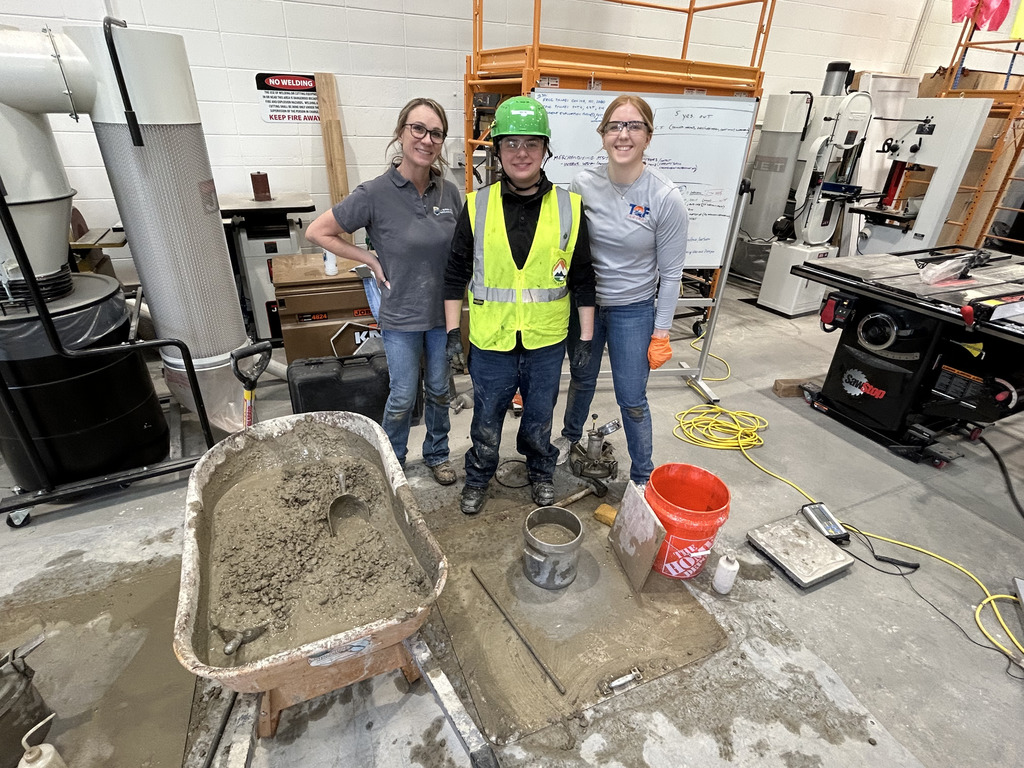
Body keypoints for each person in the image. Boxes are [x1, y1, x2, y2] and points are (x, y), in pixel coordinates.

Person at [444, 95, 596, 516]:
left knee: (539, 419)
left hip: (546, 341)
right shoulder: (477, 206)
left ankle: (541, 472)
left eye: (532, 143)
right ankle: (478, 478)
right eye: (511, 143)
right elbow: (455, 275)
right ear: (498, 151)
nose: (522, 153)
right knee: (486, 421)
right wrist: (452, 334)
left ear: (546, 149)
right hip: (492, 342)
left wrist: (584, 338)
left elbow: (583, 278)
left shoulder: (569, 207)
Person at [305, 97, 462, 485]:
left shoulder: (449, 192)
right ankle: (393, 460)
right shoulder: (374, 193)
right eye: (418, 129)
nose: (426, 139)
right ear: (401, 133)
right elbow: (317, 231)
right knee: (404, 395)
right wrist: (370, 259)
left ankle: (438, 454)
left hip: (444, 315)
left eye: (436, 133)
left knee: (440, 390)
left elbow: (462, 249)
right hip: (401, 316)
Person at [557, 94, 688, 487]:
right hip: (587, 308)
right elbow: (570, 248)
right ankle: (569, 436)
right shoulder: (583, 184)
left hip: (634, 311)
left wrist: (661, 332)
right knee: (581, 379)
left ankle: (643, 476)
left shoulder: (665, 198)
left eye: (633, 126)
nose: (623, 134)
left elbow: (672, 272)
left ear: (648, 136)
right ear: (602, 135)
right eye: (614, 126)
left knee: (632, 399)